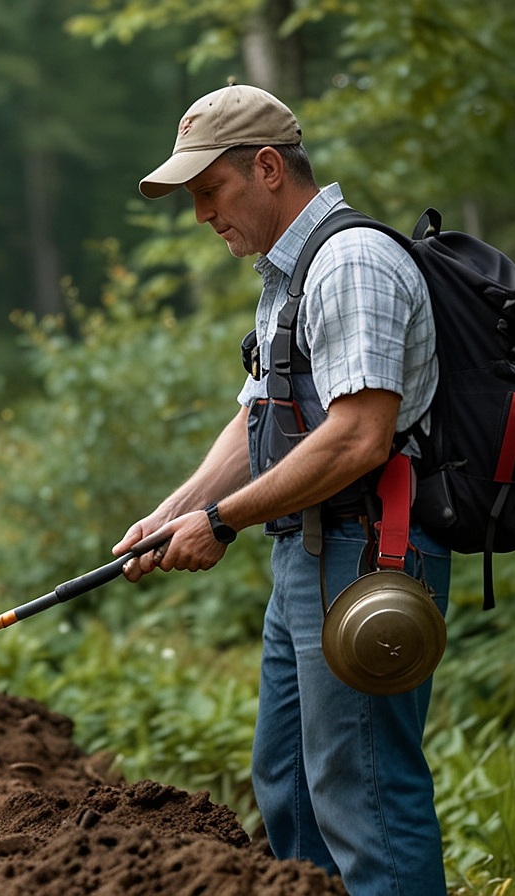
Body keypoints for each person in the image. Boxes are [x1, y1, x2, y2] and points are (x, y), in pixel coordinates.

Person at [112, 83, 451, 896]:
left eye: (208, 192)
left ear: (267, 167)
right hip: (309, 552)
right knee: (290, 791)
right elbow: (258, 418)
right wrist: (172, 514)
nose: (201, 215)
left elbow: (359, 436)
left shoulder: (351, 262)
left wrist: (220, 523)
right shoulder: (287, 276)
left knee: (364, 794)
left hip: (368, 551)